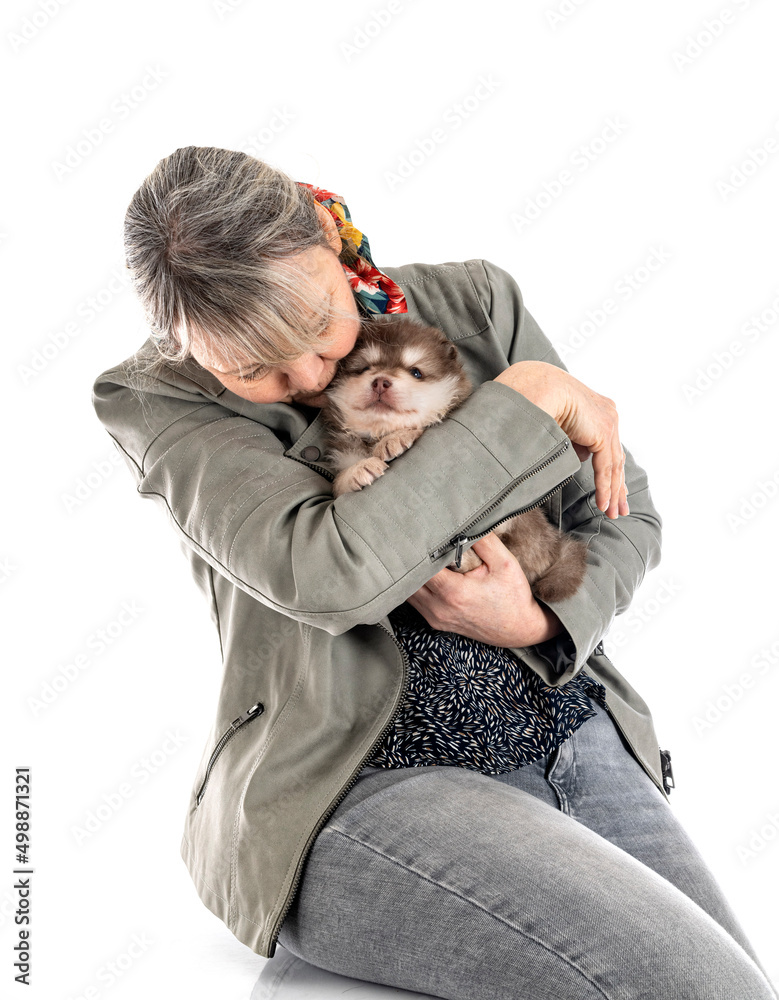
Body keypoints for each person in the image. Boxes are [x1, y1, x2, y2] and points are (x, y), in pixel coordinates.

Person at [92, 146, 775, 1000]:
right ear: (189, 344)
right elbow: (328, 571)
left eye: (315, 332)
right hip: (358, 779)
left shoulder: (473, 304)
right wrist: (518, 403)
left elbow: (620, 514)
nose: (305, 379)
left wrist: (536, 624)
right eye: (251, 368)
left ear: (338, 252)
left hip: (563, 719)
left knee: (737, 987)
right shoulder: (161, 398)